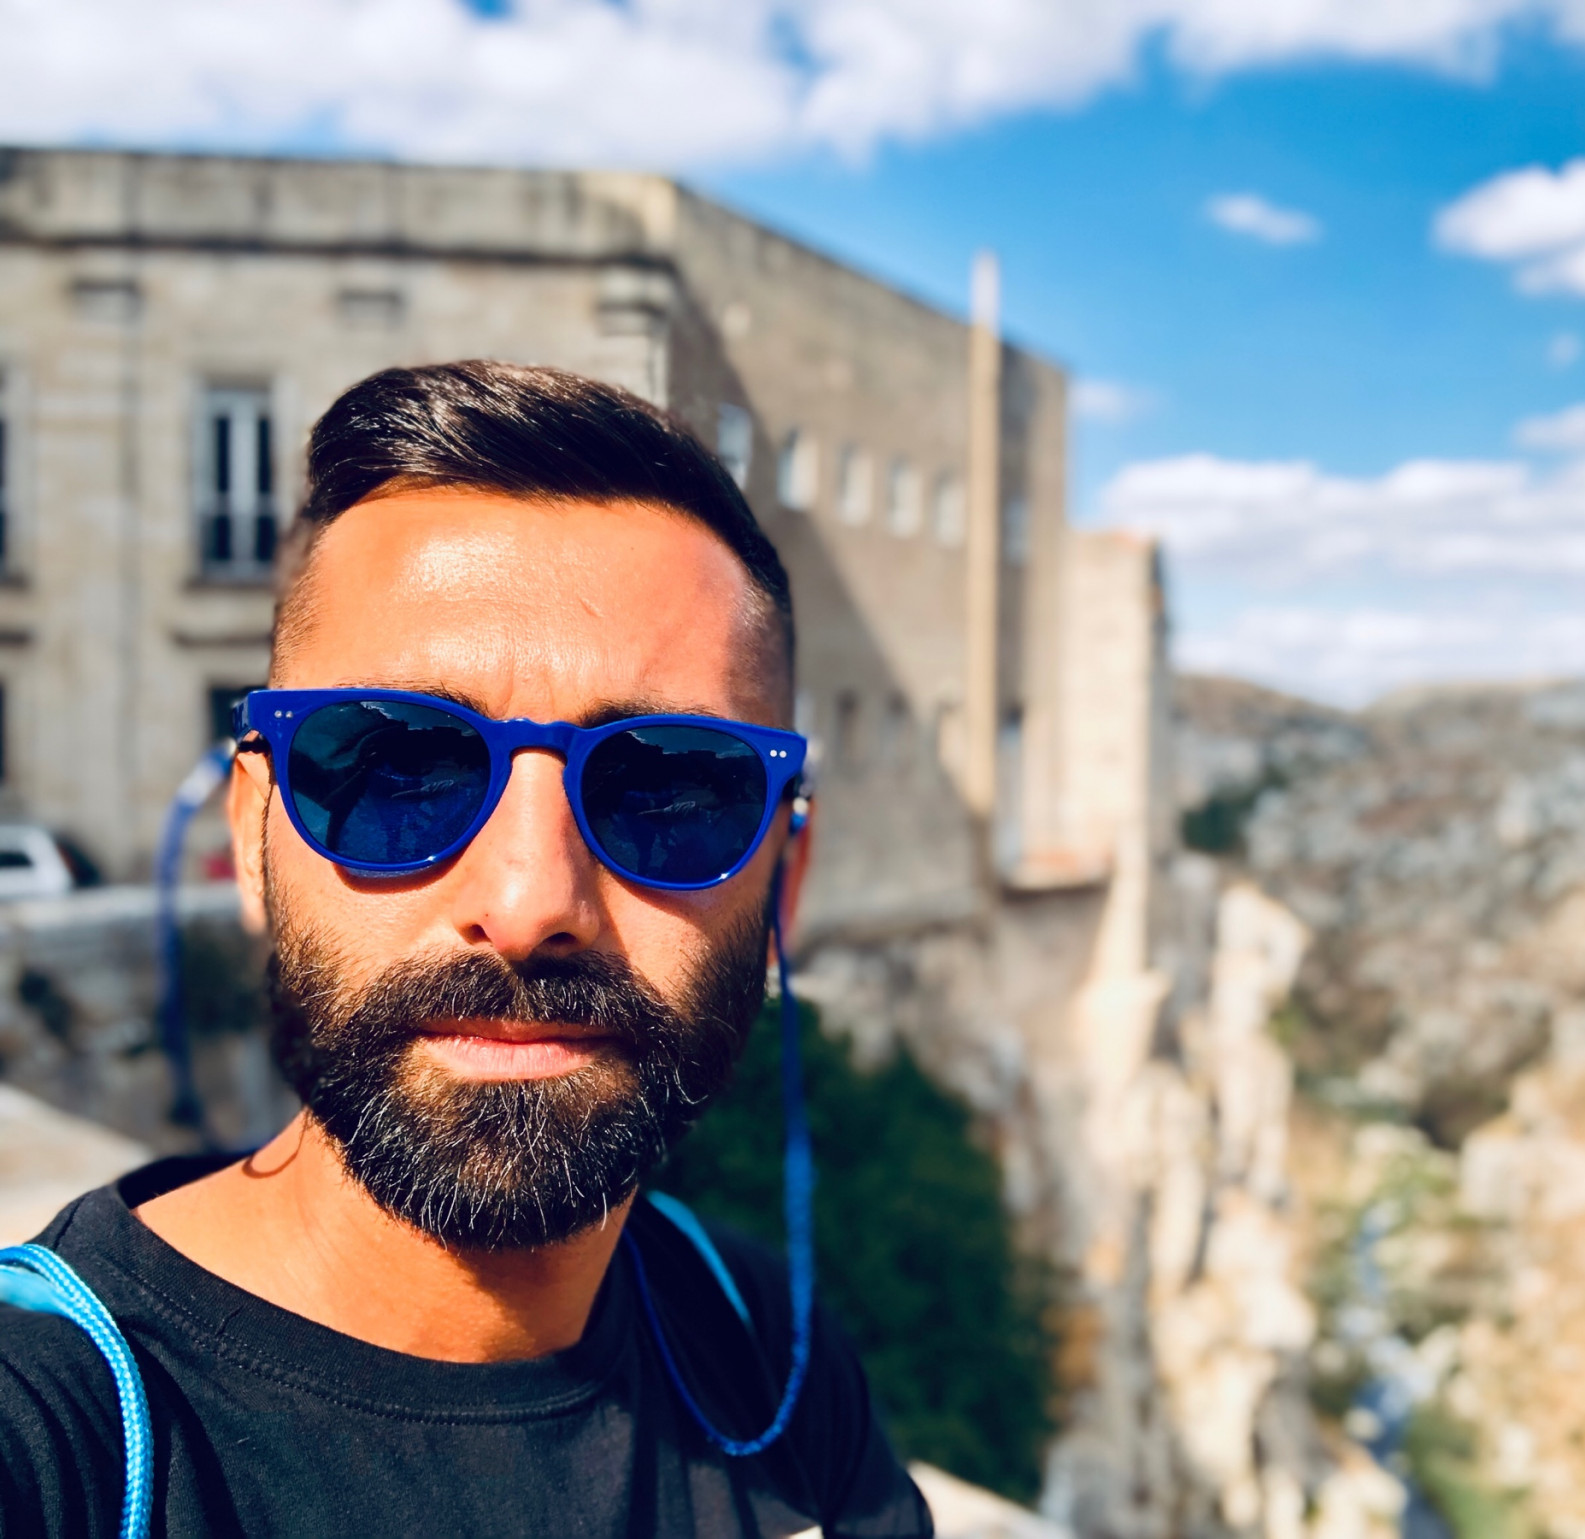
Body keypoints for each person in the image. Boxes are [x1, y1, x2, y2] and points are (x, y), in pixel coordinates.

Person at [0, 361, 934, 1538]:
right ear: (252, 843)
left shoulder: (760, 1347)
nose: (530, 900)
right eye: (398, 767)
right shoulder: (61, 1435)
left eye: (668, 790)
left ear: (782, 883)